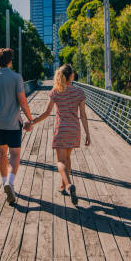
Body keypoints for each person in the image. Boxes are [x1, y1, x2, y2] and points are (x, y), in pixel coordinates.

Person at [26, 64, 91, 206]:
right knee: (67, 158)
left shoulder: (56, 91)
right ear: (71, 76)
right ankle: (63, 186)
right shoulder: (79, 92)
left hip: (61, 129)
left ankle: (68, 185)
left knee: (60, 161)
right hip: (74, 129)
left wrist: (32, 121)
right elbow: (83, 116)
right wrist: (88, 134)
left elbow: (47, 113)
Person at [0, 48, 34, 205]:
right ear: (10, 61)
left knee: (1, 152)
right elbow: (22, 101)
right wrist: (30, 119)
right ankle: (9, 183)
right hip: (13, 123)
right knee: (15, 154)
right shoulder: (16, 77)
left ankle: (4, 180)